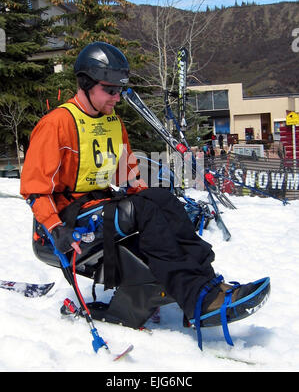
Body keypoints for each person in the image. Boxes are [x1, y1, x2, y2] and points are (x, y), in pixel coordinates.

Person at [20, 42, 270, 348]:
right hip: (65, 217)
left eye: (119, 90)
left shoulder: (113, 122)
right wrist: (56, 229)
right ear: (86, 84)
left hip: (99, 202)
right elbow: (34, 188)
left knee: (161, 200)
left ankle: (207, 286)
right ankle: (196, 301)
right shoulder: (57, 123)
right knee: (147, 210)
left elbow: (129, 176)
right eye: (109, 90)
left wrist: (158, 197)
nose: (116, 97)